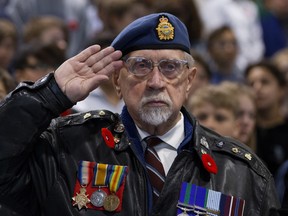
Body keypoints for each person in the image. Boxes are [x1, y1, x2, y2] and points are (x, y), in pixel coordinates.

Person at [0, 12, 280, 216]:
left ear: (190, 80)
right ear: (118, 82)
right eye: (141, 66)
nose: (156, 82)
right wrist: (51, 93)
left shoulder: (243, 173)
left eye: (170, 67)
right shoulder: (65, 149)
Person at [244, 60, 288, 177]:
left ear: (282, 89)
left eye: (265, 82)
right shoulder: (242, 129)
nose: (257, 88)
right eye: (251, 84)